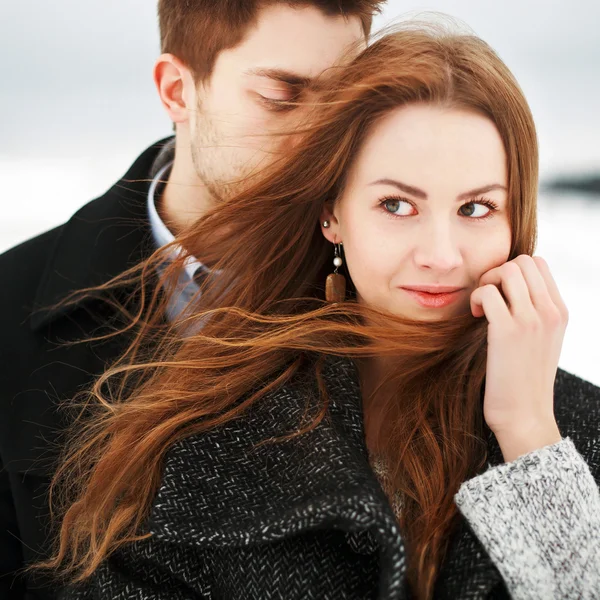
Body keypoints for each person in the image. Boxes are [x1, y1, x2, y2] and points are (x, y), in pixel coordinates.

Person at [31, 24, 600, 600]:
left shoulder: (577, 433)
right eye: (397, 204)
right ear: (333, 214)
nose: (441, 255)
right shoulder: (199, 445)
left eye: (476, 207)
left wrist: (529, 433)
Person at [0, 1, 383, 598]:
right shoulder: (9, 304)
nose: (324, 140)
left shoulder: (399, 295)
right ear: (178, 90)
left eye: (345, 106)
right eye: (284, 95)